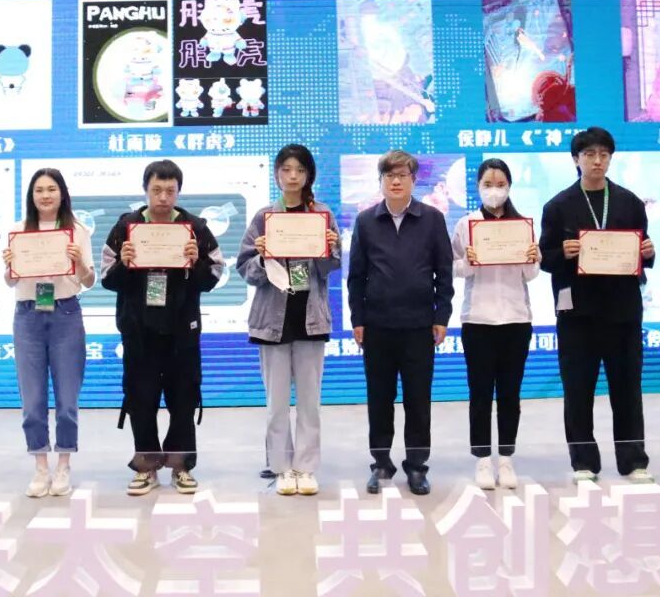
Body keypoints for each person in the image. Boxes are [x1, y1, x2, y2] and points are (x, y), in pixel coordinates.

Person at [539, 127, 656, 483]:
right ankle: (583, 463)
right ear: (576, 159)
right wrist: (563, 252)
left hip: (623, 313)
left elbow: (643, 251)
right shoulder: (558, 206)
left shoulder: (629, 202)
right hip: (578, 314)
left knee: (627, 389)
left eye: (604, 154)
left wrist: (648, 252)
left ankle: (633, 461)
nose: (597, 161)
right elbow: (544, 258)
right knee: (578, 390)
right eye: (589, 154)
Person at [100, 160, 224, 495]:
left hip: (182, 331)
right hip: (139, 331)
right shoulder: (126, 227)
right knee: (141, 399)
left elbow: (214, 275)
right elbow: (107, 277)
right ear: (146, 190)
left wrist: (196, 261)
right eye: (157, 190)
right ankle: (146, 466)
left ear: (178, 192)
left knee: (183, 398)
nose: (163, 197)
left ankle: (181, 466)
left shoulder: (194, 227)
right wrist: (124, 263)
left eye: (170, 190)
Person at [347, 150, 454, 496]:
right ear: (380, 181)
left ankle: (417, 467)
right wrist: (358, 318)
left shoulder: (432, 219)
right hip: (377, 326)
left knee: (418, 400)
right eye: (389, 176)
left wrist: (441, 316)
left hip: (419, 326)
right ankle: (381, 464)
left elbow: (444, 272)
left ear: (413, 180)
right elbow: (356, 276)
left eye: (402, 175)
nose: (395, 181)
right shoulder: (366, 221)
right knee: (379, 399)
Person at [236, 145, 341, 496]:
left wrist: (329, 248)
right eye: (286, 169)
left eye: (299, 170)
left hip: (310, 319)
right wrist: (262, 256)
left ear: (309, 175)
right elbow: (246, 270)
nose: (293, 176)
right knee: (277, 405)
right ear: (277, 174)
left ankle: (306, 468)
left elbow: (330, 268)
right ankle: (281, 468)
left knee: (310, 403)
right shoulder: (265, 217)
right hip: (272, 320)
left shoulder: (322, 214)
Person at [2, 168, 95, 498]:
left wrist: (78, 262)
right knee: (32, 400)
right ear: (31, 195)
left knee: (67, 399)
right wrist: (9, 266)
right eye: (39, 190)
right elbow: (10, 281)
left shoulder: (77, 230)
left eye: (51, 189)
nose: (45, 195)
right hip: (28, 316)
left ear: (62, 193)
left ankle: (64, 465)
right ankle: (40, 466)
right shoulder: (18, 231)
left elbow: (89, 280)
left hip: (65, 314)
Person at [451, 158, 539, 490]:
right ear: (478, 187)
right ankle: (482, 460)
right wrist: (468, 262)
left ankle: (506, 458)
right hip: (479, 319)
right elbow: (452, 266)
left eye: (500, 184)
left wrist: (533, 258)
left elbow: (530, 275)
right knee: (480, 393)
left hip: (516, 319)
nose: (494, 190)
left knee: (510, 394)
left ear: (509, 187)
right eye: (488, 184)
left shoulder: (522, 225)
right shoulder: (467, 224)